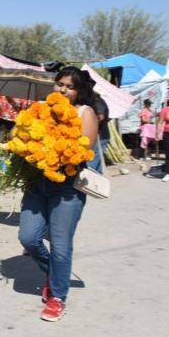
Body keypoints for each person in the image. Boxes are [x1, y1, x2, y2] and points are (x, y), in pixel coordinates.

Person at [17, 67, 98, 322]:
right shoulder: (41, 108)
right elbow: (23, 132)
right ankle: (55, 275)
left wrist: (55, 147)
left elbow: (85, 152)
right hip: (36, 181)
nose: (62, 89)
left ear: (79, 91)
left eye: (69, 86)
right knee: (29, 238)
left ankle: (57, 297)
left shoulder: (85, 113)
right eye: (59, 83)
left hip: (67, 188)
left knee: (61, 246)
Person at [87, 94, 110, 172]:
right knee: (97, 162)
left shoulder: (97, 102)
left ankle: (90, 182)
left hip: (99, 136)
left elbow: (100, 117)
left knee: (91, 163)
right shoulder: (98, 101)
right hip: (101, 135)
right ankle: (96, 181)